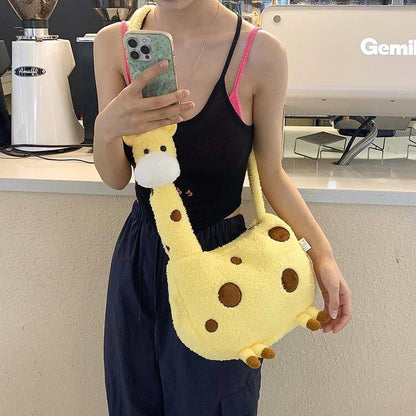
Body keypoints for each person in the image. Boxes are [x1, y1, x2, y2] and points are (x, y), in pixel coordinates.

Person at [93, 0, 353, 414]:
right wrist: (105, 128)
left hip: (223, 266)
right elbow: (116, 177)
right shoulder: (115, 44)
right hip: (143, 254)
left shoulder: (260, 52)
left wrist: (322, 255)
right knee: (133, 400)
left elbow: (271, 173)